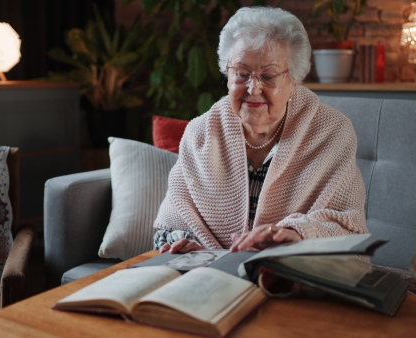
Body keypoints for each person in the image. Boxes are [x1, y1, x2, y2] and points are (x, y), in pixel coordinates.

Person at [153, 6, 368, 255]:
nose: (253, 88)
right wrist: (186, 244)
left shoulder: (331, 131)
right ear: (227, 73)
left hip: (291, 277)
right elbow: (168, 227)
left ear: (293, 82)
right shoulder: (200, 132)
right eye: (242, 74)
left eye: (268, 77)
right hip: (211, 279)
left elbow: (347, 226)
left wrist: (298, 233)